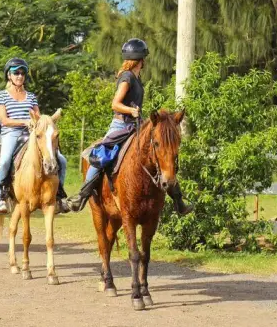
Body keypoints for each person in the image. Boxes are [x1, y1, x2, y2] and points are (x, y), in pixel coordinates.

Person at [68, 39, 193, 215]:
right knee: (101, 156)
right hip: (120, 124)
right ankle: (82, 195)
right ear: (141, 59)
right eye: (144, 58)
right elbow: (115, 104)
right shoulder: (126, 78)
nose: (145, 61)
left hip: (136, 125)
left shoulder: (136, 77)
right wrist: (131, 110)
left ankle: (178, 200)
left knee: (161, 153)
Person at [0, 57, 69, 214]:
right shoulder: (1, 95)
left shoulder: (31, 96)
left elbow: (38, 118)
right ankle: (2, 196)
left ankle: (59, 195)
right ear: (9, 75)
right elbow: (4, 120)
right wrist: (24, 121)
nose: (20, 76)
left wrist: (41, 123)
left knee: (61, 159)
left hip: (32, 134)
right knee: (5, 160)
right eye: (16, 73)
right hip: (11, 133)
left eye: (22, 73)